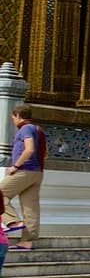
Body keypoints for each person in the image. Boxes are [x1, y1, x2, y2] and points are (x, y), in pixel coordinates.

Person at [1, 106, 45, 251]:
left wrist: (15, 165)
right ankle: (27, 241)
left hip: (25, 170)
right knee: (30, 207)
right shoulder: (37, 129)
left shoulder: (26, 128)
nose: (13, 120)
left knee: (1, 194)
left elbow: (30, 149)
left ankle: (13, 222)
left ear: (18, 115)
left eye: (13, 117)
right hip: (36, 172)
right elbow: (45, 152)